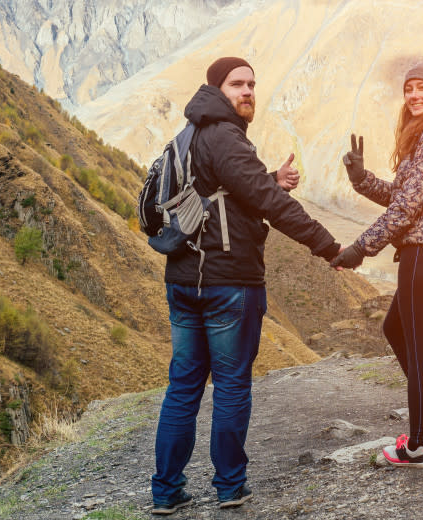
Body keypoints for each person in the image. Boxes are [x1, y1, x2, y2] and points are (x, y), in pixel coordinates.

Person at [151, 57, 341, 514]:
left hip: (183, 282)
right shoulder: (226, 136)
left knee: (183, 388)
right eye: (238, 84)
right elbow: (269, 203)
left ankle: (166, 492)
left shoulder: (190, 135)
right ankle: (230, 487)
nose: (248, 91)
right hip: (228, 284)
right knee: (232, 386)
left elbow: (227, 191)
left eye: (253, 84)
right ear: (217, 88)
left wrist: (270, 179)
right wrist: (328, 246)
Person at [331, 62, 423, 467]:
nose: (414, 95)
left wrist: (361, 247)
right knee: (395, 329)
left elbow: (408, 205)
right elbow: (404, 195)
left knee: (420, 348)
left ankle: (417, 445)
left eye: (422, 87)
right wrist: (362, 179)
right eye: (409, 88)